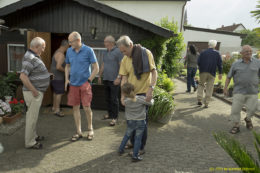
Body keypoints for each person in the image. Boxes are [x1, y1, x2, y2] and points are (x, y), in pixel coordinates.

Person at [117, 35, 157, 155]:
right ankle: (133, 142)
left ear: (130, 45)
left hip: (144, 93)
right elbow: (124, 79)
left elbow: (154, 73)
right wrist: (123, 95)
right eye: (121, 51)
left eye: (124, 50)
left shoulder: (146, 53)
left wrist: (151, 88)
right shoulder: (125, 60)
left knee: (141, 122)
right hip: (131, 94)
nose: (123, 53)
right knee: (131, 120)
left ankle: (140, 148)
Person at [65, 31, 99, 141]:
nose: (69, 44)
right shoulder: (69, 51)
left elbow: (96, 68)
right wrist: (66, 79)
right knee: (75, 107)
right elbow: (67, 66)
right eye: (69, 42)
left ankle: (90, 129)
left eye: (71, 42)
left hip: (85, 84)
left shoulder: (89, 50)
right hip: (73, 84)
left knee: (86, 107)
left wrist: (88, 81)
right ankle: (78, 132)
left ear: (78, 40)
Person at [20, 37, 50, 149]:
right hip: (33, 93)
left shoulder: (32, 56)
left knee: (34, 117)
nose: (43, 50)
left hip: (35, 92)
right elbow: (23, 76)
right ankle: (30, 142)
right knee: (31, 118)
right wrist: (34, 91)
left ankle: (34, 136)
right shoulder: (30, 58)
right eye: (42, 48)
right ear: (36, 46)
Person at [224, 45, 260, 134]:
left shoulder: (258, 63)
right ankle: (236, 125)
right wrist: (225, 87)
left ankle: (248, 119)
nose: (249, 53)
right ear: (241, 53)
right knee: (235, 109)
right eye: (246, 51)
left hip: (253, 91)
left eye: (250, 51)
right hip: (239, 91)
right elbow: (229, 77)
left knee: (252, 109)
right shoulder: (236, 64)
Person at [118, 83, 153, 162]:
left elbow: (123, 101)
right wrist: (151, 99)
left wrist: (122, 97)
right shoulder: (140, 98)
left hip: (130, 121)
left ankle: (120, 150)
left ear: (124, 93)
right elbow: (150, 104)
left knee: (127, 135)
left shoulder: (126, 101)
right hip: (140, 122)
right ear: (134, 90)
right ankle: (135, 156)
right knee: (138, 139)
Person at [98, 35, 123, 126]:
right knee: (107, 98)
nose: (104, 43)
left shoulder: (118, 52)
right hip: (106, 78)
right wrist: (99, 76)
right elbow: (103, 65)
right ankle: (109, 114)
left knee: (114, 99)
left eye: (105, 42)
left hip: (114, 80)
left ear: (110, 43)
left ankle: (115, 118)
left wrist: (118, 77)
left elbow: (122, 66)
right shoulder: (105, 52)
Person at [197, 40, 222, 108]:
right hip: (212, 72)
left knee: (201, 85)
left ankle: (199, 99)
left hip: (203, 71)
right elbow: (220, 64)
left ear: (208, 45)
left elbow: (198, 62)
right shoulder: (217, 53)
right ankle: (206, 103)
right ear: (215, 46)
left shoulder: (203, 52)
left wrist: (201, 68)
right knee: (209, 88)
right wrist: (220, 73)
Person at [50, 40, 69, 117]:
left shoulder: (56, 52)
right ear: (66, 46)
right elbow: (58, 67)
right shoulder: (61, 54)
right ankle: (57, 110)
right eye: (68, 46)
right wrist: (66, 71)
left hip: (54, 77)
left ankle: (54, 107)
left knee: (55, 93)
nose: (68, 48)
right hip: (58, 78)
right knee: (60, 93)